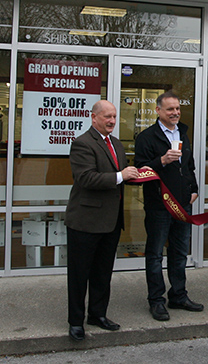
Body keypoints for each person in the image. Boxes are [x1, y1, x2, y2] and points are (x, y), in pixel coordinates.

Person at [65, 99, 140, 341]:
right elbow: (86, 178)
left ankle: (97, 314)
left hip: (110, 222)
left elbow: (125, 174)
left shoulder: (116, 144)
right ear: (93, 117)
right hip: (85, 221)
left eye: (114, 117)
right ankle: (76, 322)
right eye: (107, 116)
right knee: (79, 275)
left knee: (102, 273)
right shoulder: (82, 143)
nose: (112, 121)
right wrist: (120, 175)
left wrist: (146, 172)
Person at [134, 91, 204, 322]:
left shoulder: (183, 133)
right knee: (155, 255)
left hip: (183, 204)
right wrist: (161, 161)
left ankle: (178, 296)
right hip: (158, 206)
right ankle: (156, 300)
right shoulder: (146, 137)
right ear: (158, 111)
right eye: (170, 109)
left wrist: (194, 189)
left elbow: (189, 165)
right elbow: (139, 172)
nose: (175, 113)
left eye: (178, 109)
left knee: (179, 253)